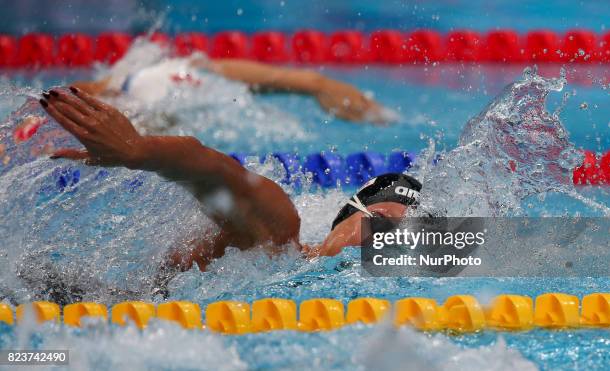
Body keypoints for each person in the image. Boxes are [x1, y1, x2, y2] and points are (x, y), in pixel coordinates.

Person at [38, 88, 421, 274]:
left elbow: (475, 247)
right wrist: (139, 150)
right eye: (382, 217)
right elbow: (213, 169)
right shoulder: (278, 234)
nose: (387, 233)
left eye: (404, 231)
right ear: (344, 217)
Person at [71, 53, 391, 124]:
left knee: (315, 84)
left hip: (204, 80)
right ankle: (385, 116)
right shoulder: (143, 72)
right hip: (203, 75)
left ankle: (382, 116)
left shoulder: (142, 96)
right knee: (314, 83)